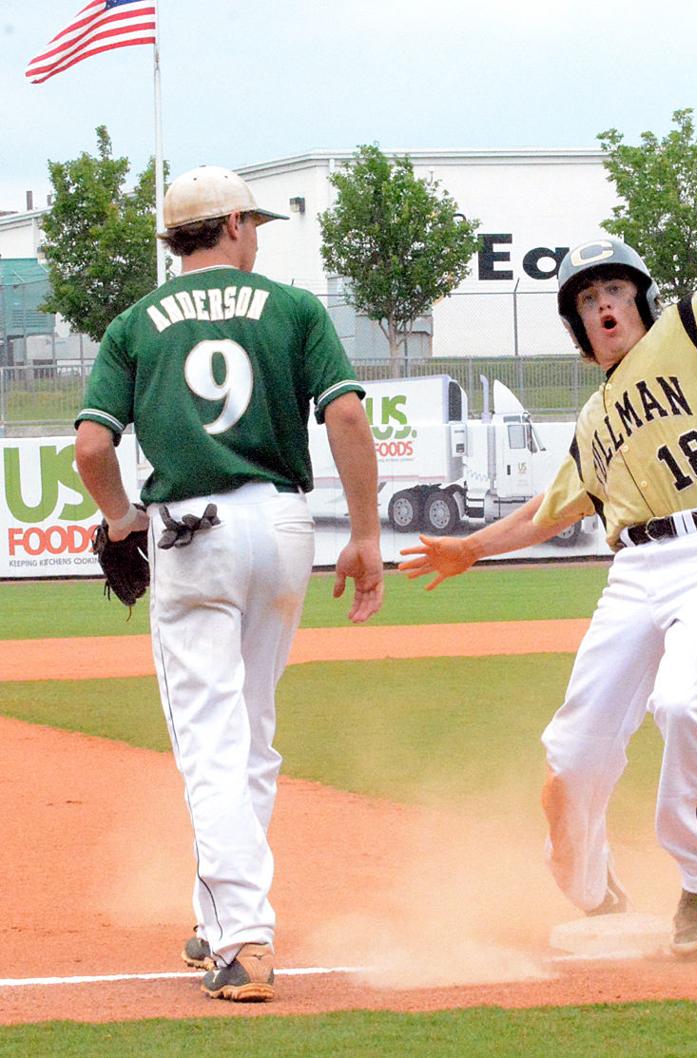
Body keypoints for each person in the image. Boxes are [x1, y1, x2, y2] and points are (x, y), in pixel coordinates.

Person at [400, 99, 697, 956]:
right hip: (636, 572)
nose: (603, 304)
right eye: (587, 299)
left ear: (640, 299)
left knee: (683, 704)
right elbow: (550, 512)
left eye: (614, 289)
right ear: (578, 327)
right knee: (573, 755)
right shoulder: (592, 420)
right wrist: (468, 546)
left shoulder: (696, 329)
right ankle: (591, 887)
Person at [74, 165, 383, 1001]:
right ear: (236, 226)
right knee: (250, 731)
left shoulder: (136, 323)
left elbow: (95, 450)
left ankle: (244, 935)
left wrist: (119, 520)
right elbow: (347, 415)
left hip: (192, 529)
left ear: (176, 239)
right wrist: (363, 533)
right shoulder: (293, 308)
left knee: (209, 736)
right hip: (282, 526)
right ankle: (218, 921)